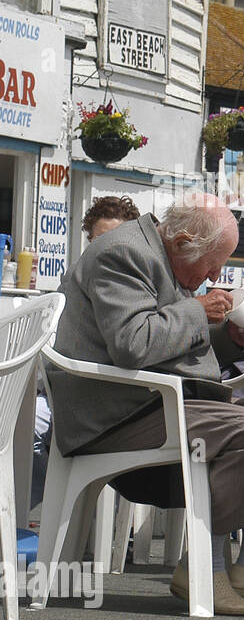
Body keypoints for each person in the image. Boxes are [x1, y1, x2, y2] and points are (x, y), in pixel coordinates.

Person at [47, 191, 244, 615]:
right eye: (212, 264)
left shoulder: (159, 254)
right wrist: (198, 311)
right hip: (112, 417)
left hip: (146, 403)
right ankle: (204, 565)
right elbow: (133, 344)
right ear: (181, 243)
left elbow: (163, 341)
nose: (217, 274)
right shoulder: (123, 253)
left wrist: (229, 339)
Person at [33, 195, 144, 507]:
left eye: (114, 239)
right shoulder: (73, 282)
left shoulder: (135, 287)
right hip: (61, 391)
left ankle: (57, 514)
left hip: (104, 405)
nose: (105, 248)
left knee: (32, 428)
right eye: (98, 240)